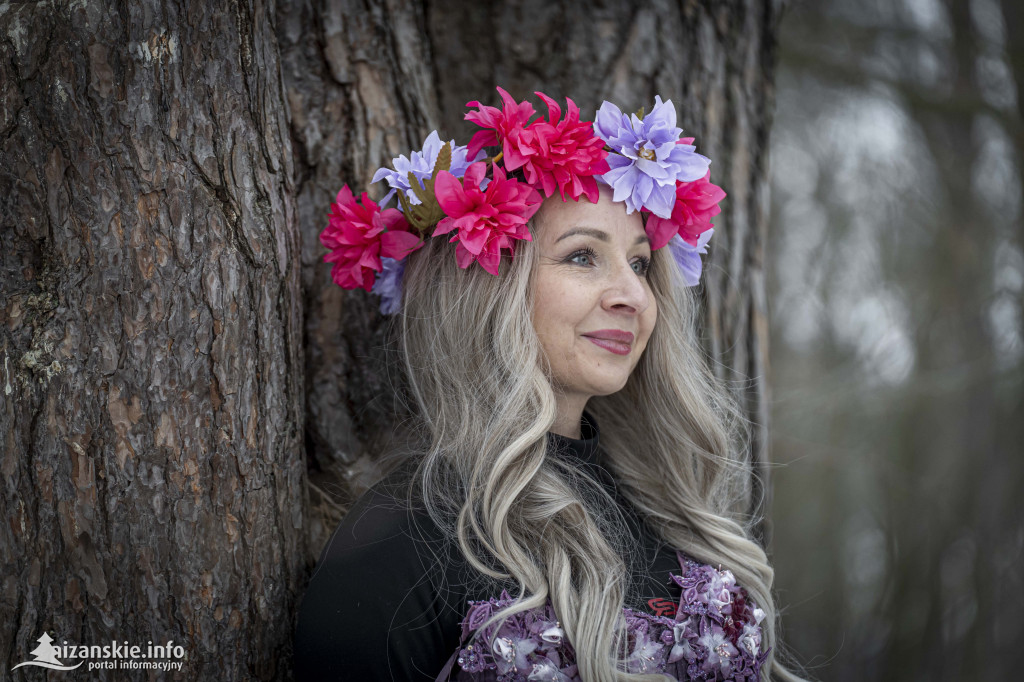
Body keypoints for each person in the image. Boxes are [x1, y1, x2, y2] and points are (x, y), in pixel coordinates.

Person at [295, 89, 802, 681]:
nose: (635, 297)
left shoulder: (673, 507)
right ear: (486, 289)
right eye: (583, 256)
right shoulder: (400, 541)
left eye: (640, 264)